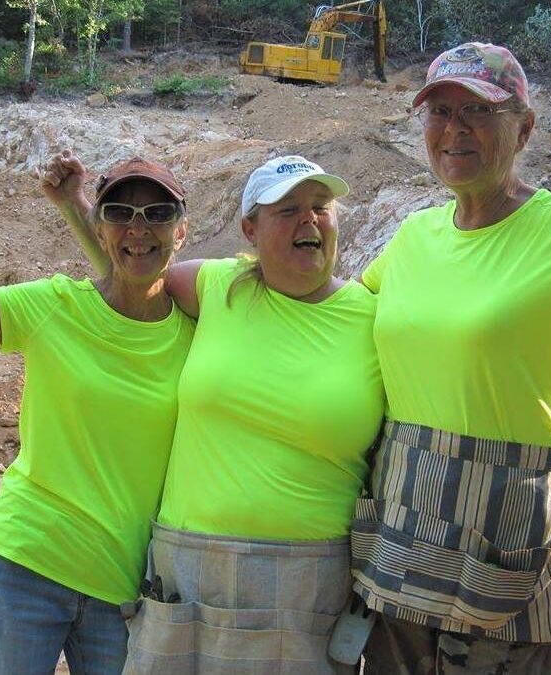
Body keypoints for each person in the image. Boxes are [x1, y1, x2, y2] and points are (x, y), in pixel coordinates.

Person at [349, 42, 551, 675]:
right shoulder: (413, 238)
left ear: (525, 127)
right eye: (439, 112)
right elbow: (335, 324)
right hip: (408, 538)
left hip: (517, 548)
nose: (454, 130)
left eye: (477, 112)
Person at [43, 153, 386, 674]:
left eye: (320, 205)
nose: (309, 219)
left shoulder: (375, 318)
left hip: (306, 586)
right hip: (186, 576)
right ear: (249, 228)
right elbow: (133, 274)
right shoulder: (215, 285)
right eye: (287, 208)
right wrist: (76, 207)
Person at [0, 157, 195, 675]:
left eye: (157, 213)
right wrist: (76, 204)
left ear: (181, 231)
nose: (139, 228)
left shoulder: (195, 333)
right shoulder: (53, 307)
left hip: (120, 586)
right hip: (24, 562)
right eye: (121, 212)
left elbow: (132, 262)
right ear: (100, 227)